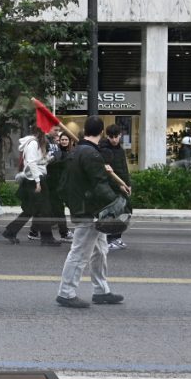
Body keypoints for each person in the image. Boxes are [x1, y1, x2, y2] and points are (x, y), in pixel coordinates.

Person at [55, 115, 127, 308]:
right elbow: (99, 184)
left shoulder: (79, 151)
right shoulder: (90, 154)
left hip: (87, 207)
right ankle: (66, 293)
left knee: (100, 251)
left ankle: (101, 291)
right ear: (101, 132)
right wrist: (117, 201)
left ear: (85, 130)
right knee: (79, 253)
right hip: (90, 210)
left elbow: (70, 183)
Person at [3, 124, 58, 246]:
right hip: (35, 180)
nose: (55, 132)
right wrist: (38, 182)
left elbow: (36, 162)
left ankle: (10, 231)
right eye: (53, 130)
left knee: (31, 209)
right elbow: (32, 163)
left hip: (34, 179)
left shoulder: (35, 143)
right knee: (44, 209)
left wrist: (47, 160)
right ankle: (47, 238)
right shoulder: (33, 143)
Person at [99, 124, 132, 251]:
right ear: (107, 136)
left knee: (125, 212)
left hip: (122, 186)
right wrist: (119, 185)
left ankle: (117, 237)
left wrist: (128, 184)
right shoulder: (103, 150)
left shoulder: (121, 150)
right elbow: (106, 173)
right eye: (111, 137)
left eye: (116, 136)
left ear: (120, 136)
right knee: (112, 214)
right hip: (111, 188)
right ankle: (109, 239)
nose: (114, 139)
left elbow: (124, 168)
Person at [45, 131, 75, 242]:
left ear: (70, 141)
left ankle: (35, 230)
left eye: (66, 140)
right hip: (56, 185)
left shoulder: (72, 153)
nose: (63, 141)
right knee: (59, 210)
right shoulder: (56, 153)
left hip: (66, 186)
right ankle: (64, 233)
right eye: (62, 139)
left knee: (58, 210)